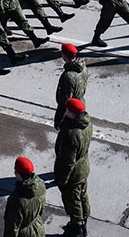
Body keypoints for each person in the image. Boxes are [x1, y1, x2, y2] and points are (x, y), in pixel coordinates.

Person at [54, 97, 92, 237]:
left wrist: (62, 179)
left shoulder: (72, 134)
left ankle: (77, 228)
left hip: (74, 173)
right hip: (83, 167)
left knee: (73, 200)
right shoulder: (86, 123)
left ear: (73, 113)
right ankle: (83, 222)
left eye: (68, 110)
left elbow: (67, 161)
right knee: (82, 195)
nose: (66, 112)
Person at [3, 156, 47, 237]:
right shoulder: (41, 185)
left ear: (19, 175)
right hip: (38, 228)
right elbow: (41, 209)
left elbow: (12, 228)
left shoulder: (16, 200)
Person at [54, 43, 87, 128]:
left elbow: (65, 102)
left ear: (64, 56)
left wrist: (58, 121)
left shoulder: (68, 77)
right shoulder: (83, 67)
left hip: (71, 111)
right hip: (80, 103)